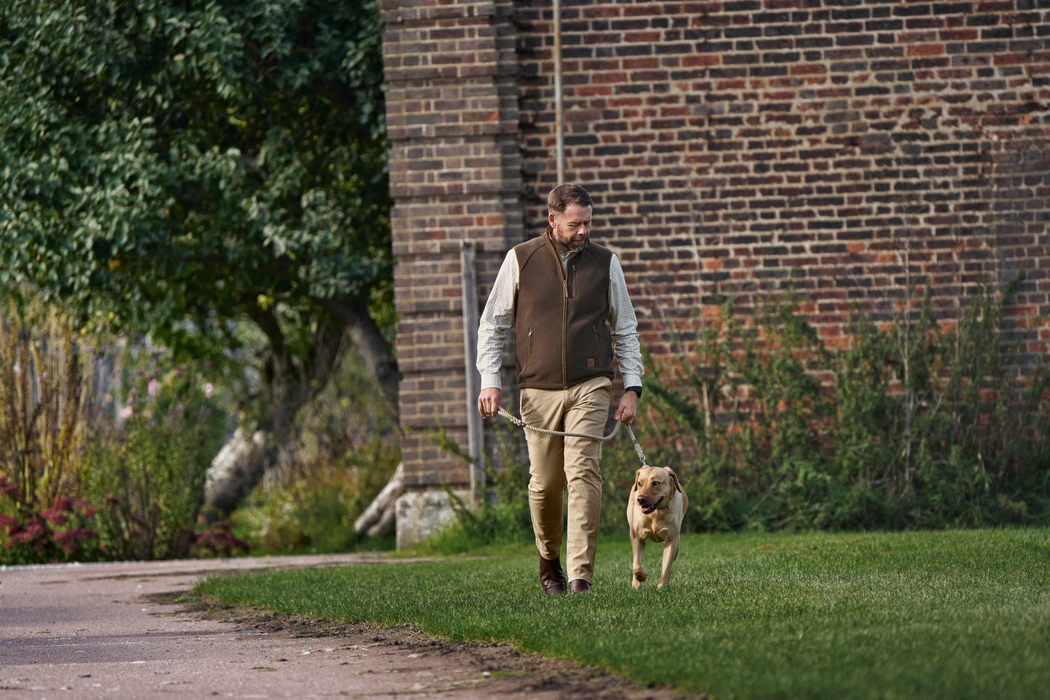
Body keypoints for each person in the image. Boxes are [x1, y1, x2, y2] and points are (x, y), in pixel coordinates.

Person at [476, 183, 644, 594]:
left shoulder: (606, 263)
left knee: (583, 472)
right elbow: (493, 325)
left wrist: (632, 387)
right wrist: (490, 381)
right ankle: (549, 560)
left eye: (588, 222)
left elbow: (625, 328)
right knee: (545, 484)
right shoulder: (521, 259)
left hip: (591, 383)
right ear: (552, 220)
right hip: (538, 389)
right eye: (575, 224)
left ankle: (581, 576)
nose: (584, 231)